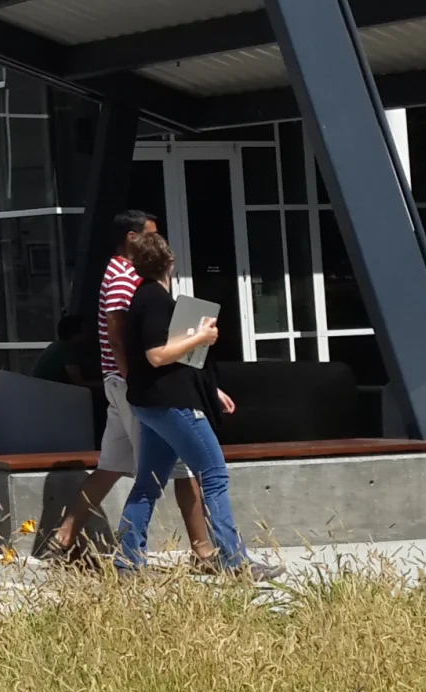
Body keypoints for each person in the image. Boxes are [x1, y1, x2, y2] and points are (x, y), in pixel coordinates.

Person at [44, 213, 218, 566]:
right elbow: (116, 333)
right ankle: (202, 552)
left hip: (119, 384)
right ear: (132, 238)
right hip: (130, 386)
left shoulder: (117, 274)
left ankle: (63, 538)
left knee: (111, 466)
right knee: (181, 469)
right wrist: (133, 379)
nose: (159, 243)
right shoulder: (125, 277)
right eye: (152, 236)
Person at [116, 234, 272, 578]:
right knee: (214, 474)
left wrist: (211, 390)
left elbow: (168, 355)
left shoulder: (142, 297)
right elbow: (157, 356)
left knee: (148, 484)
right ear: (170, 263)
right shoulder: (155, 300)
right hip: (172, 404)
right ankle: (234, 561)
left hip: (150, 403)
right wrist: (201, 337)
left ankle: (128, 562)